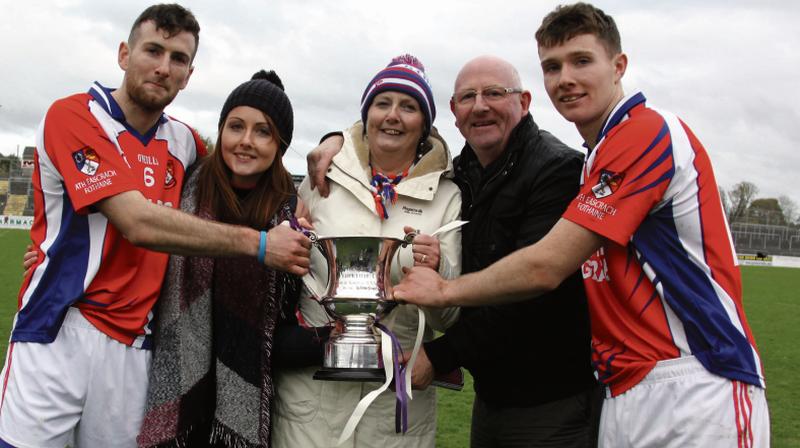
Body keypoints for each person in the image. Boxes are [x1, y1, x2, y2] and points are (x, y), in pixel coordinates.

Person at [394, 3, 770, 447]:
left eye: (581, 61)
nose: (565, 78)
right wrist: (338, 141)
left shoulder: (646, 132)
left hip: (697, 376)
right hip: (623, 386)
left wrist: (443, 291)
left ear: (619, 65)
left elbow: (545, 267)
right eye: (552, 67)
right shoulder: (595, 158)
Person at [0, 5, 310, 447]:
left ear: (188, 75)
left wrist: (326, 153)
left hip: (135, 346)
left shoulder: (184, 143)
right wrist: (261, 245)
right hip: (57, 329)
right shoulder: (74, 116)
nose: (164, 67)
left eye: (178, 59)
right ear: (124, 53)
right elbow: (138, 222)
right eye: (153, 50)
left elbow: (244, 170)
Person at [309, 55, 597, 447]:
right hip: (493, 395)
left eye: (495, 93)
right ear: (455, 113)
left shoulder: (555, 168)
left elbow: (530, 285)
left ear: (525, 102)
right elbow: (423, 147)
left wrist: (442, 353)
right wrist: (337, 140)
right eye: (468, 97)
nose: (480, 105)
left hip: (547, 397)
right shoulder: (462, 173)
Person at [272, 54, 462, 448]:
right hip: (311, 399)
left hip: (395, 404)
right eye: (382, 103)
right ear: (366, 115)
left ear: (424, 124)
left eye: (408, 107)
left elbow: (449, 317)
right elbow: (284, 273)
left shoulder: (447, 196)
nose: (393, 116)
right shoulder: (321, 177)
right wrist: (292, 233)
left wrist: (439, 270)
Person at [137, 70, 325, 448]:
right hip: (168, 395)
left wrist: (338, 340)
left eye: (263, 131)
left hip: (248, 410)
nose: (245, 142)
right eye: (236, 126)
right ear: (221, 130)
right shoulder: (182, 190)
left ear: (280, 145)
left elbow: (275, 333)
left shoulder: (292, 217)